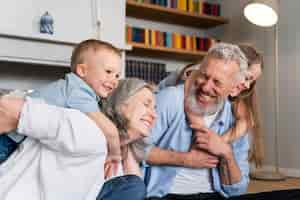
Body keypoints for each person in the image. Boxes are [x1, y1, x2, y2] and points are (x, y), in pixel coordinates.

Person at [142, 43, 300, 200]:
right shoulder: (172, 97)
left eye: (217, 82)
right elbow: (135, 149)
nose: (206, 86)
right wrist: (186, 159)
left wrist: (226, 153)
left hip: (217, 195)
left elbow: (237, 190)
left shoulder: (237, 118)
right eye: (204, 75)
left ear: (234, 88)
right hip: (172, 194)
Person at [0, 78, 157, 200]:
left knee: (133, 187)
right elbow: (6, 107)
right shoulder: (84, 127)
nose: (154, 114)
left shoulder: (116, 160)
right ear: (121, 103)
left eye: (154, 108)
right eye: (146, 104)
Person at [0, 39, 123, 174]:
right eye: (108, 71)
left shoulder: (71, 88)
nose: (114, 80)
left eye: (117, 75)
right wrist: (115, 155)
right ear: (82, 70)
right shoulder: (79, 91)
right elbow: (110, 131)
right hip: (8, 137)